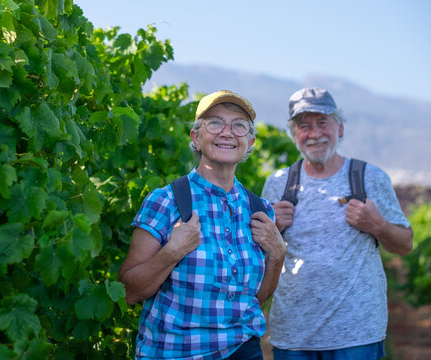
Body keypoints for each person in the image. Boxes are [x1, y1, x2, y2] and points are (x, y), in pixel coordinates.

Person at [119, 90, 286, 360]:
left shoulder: (261, 211)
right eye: (215, 122)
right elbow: (128, 292)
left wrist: (278, 256)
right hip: (178, 353)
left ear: (250, 141)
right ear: (196, 137)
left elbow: (253, 302)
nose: (227, 132)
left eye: (239, 125)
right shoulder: (167, 201)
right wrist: (171, 252)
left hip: (243, 351)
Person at [261, 87, 413, 360]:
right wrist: (273, 230)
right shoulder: (278, 183)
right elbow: (260, 255)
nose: (314, 133)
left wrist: (378, 225)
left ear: (340, 128)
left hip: (357, 336)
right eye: (303, 126)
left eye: (323, 123)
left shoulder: (369, 178)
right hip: (293, 335)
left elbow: (405, 244)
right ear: (293, 134)